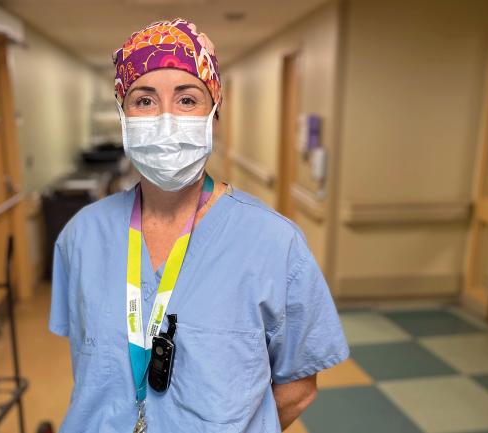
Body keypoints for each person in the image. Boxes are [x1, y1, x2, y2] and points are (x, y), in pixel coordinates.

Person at [49, 18, 349, 433]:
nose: (166, 120)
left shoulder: (275, 244)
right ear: (123, 117)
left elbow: (298, 386)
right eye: (144, 100)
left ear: (215, 117)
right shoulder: (81, 236)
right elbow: (90, 363)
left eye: (188, 100)